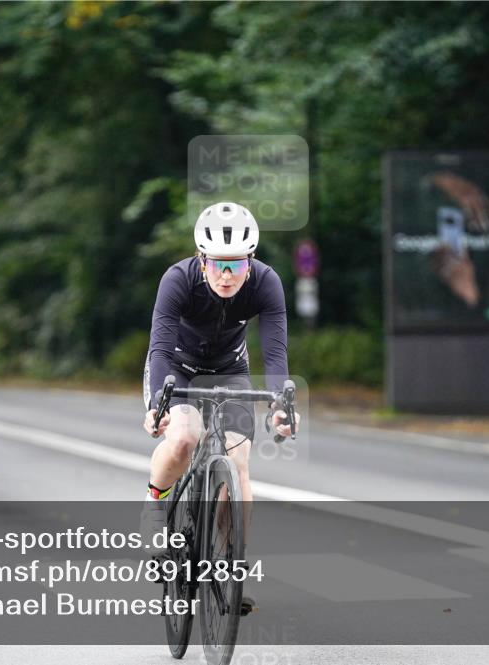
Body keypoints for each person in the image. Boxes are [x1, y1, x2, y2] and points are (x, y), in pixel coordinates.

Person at [140, 201, 300, 614]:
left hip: (230, 371)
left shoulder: (265, 282)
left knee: (239, 461)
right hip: (177, 369)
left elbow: (275, 354)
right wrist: (158, 404)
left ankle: (231, 565)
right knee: (184, 439)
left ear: (251, 260)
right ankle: (155, 504)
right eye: (217, 265)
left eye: (237, 265)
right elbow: (159, 348)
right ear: (201, 259)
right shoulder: (177, 280)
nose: (227, 275)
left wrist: (281, 405)